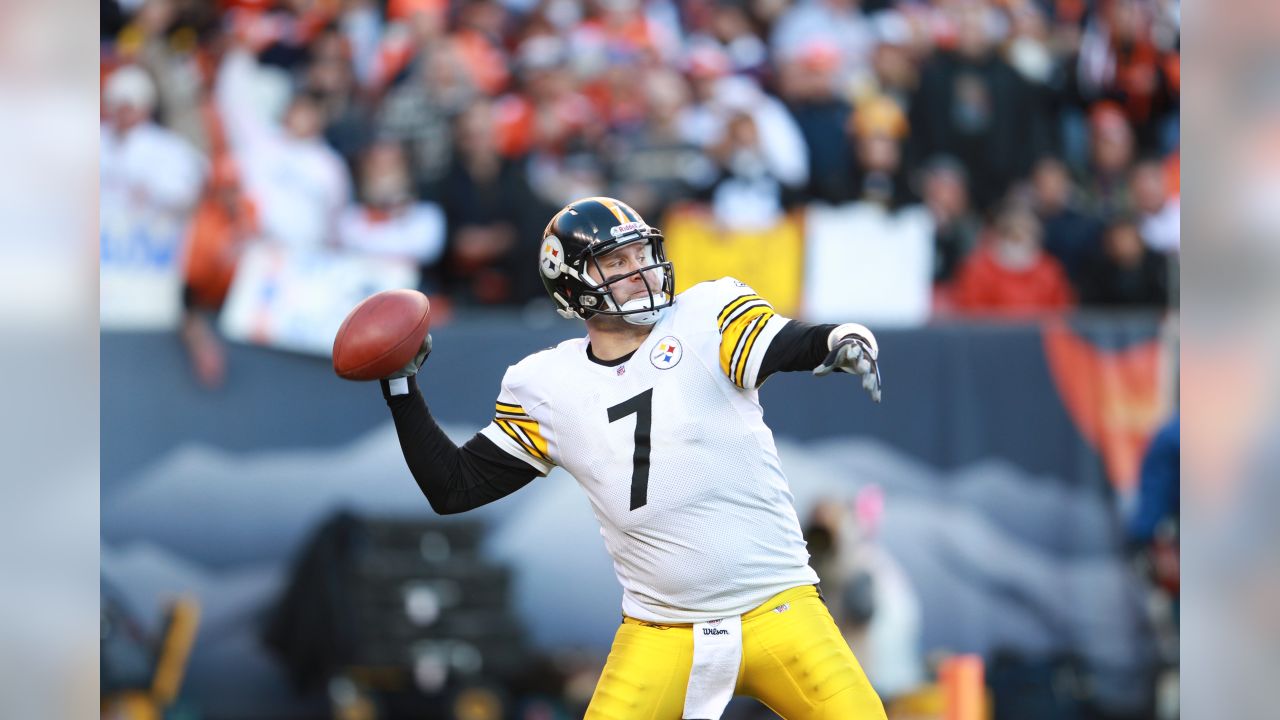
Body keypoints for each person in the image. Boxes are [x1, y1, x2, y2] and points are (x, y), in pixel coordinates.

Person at [379, 196, 888, 719]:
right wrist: (400, 387)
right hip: (661, 629)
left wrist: (837, 336)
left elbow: (787, 343)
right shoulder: (547, 384)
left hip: (778, 606)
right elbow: (454, 487)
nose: (639, 271)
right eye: (616, 262)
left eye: (641, 254)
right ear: (571, 283)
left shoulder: (705, 315)